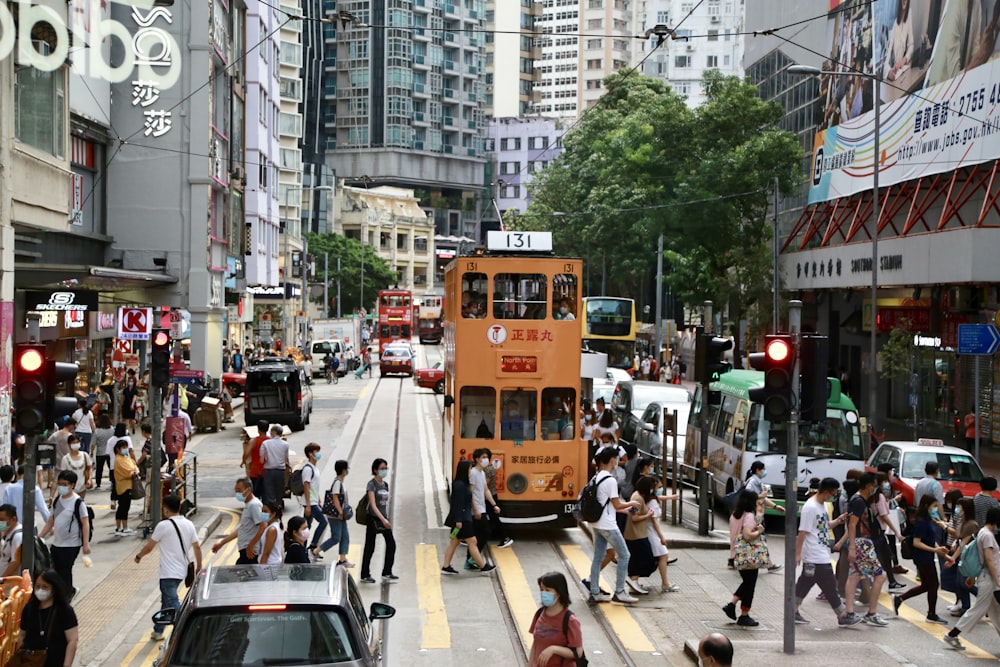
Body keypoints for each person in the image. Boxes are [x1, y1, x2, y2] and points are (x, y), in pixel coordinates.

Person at [793, 477, 860, 626]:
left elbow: (823, 526)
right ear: (826, 491)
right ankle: (842, 615)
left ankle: (793, 609)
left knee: (806, 583)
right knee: (829, 585)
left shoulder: (822, 505)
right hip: (815, 554)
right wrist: (797, 554)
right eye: (833, 493)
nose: (834, 496)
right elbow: (802, 532)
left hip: (821, 551)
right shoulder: (810, 507)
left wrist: (837, 521)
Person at [134, 493, 202, 641]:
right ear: (179, 506)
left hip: (167, 573)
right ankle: (158, 631)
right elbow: (197, 547)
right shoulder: (189, 524)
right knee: (166, 603)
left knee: (173, 603)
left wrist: (139, 556)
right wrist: (199, 567)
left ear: (165, 509)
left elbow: (149, 547)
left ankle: (189, 630)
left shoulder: (163, 526)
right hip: (182, 571)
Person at [587, 446, 642, 605]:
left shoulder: (596, 477)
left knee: (598, 558)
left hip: (597, 523)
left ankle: (594, 592)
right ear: (612, 460)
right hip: (608, 525)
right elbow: (617, 505)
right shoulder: (610, 480)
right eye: (617, 458)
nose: (618, 461)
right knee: (625, 555)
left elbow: (608, 504)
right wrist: (632, 503)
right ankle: (619, 592)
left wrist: (626, 511)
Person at [944, 506, 1000, 650]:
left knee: (995, 613)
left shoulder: (983, 531)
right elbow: (989, 560)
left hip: (986, 577)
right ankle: (952, 634)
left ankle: (952, 635)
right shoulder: (987, 535)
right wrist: (998, 581)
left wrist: (973, 576)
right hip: (989, 579)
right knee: (978, 610)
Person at [893, 493, 951, 624]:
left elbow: (930, 540)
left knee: (926, 585)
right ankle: (931, 614)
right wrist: (935, 550)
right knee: (933, 584)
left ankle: (900, 599)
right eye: (934, 506)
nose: (935, 508)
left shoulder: (927, 519)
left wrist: (943, 553)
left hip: (926, 556)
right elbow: (916, 542)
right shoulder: (921, 522)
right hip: (922, 558)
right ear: (926, 505)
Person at [843, 472, 890, 626]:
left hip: (859, 543)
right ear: (869, 485)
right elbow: (852, 524)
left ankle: (850, 612)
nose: (875, 488)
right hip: (862, 543)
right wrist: (852, 547)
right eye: (875, 485)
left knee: (854, 576)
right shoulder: (859, 501)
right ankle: (871, 612)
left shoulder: (858, 499)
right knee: (880, 575)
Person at [39, 470, 91, 593]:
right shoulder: (57, 501)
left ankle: (67, 593)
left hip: (72, 544)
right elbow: (50, 521)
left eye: (65, 484)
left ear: (72, 485)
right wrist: (39, 536)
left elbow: (85, 523)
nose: (62, 487)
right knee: (55, 570)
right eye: (60, 484)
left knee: (65, 570)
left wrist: (86, 544)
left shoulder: (77, 502)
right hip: (57, 543)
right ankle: (67, 590)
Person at [441, 460, 495, 575]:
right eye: (470, 469)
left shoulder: (461, 484)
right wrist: (458, 520)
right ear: (465, 470)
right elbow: (457, 504)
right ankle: (483, 566)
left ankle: (446, 566)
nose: (471, 471)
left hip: (463, 519)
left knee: (454, 542)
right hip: (463, 520)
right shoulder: (460, 485)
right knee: (472, 541)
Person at [15, 569, 79, 667]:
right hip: (31, 661)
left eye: (45, 587)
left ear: (54, 589)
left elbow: (72, 640)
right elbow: (22, 635)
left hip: (55, 661)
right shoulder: (29, 608)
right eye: (37, 586)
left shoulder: (64, 610)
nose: (40, 590)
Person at [723, 490, 765, 626]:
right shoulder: (748, 516)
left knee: (747, 582)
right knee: (750, 584)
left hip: (736, 554)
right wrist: (759, 531)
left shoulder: (735, 515)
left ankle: (732, 605)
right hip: (748, 555)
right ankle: (743, 615)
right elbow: (747, 535)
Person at [528, 571, 583, 667]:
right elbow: (535, 644)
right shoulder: (539, 614)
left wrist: (553, 649)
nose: (543, 593)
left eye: (548, 590)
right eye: (541, 589)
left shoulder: (570, 620)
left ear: (559, 592)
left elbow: (578, 652)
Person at [360, 458, 397, 584]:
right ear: (375, 470)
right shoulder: (371, 484)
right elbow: (373, 505)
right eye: (382, 468)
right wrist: (383, 519)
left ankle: (387, 571)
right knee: (370, 547)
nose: (384, 471)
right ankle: (365, 574)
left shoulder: (385, 485)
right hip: (374, 519)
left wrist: (386, 518)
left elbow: (385, 504)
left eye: (385, 468)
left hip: (384, 518)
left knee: (391, 544)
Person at [212, 478, 266, 564]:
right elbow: (242, 529)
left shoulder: (254, 505)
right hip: (245, 550)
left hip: (249, 552)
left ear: (248, 489)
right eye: (236, 491)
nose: (237, 493)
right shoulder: (249, 505)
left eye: (239, 490)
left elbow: (263, 525)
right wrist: (222, 543)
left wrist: (251, 545)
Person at [943, 496, 979, 617]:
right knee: (959, 583)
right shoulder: (963, 522)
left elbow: (964, 543)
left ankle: (987, 599)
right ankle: (965, 607)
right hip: (961, 556)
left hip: (967, 558)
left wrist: (952, 558)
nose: (957, 509)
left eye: (960, 507)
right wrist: (954, 543)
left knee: (964, 583)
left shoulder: (971, 524)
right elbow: (959, 538)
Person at [318, 459, 353, 566]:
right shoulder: (337, 483)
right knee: (336, 537)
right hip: (335, 515)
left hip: (339, 514)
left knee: (345, 536)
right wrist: (340, 511)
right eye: (347, 468)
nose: (348, 470)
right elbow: (335, 497)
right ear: (343, 470)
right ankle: (315, 552)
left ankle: (342, 559)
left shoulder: (340, 482)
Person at [296, 443, 328, 558]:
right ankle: (313, 547)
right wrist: (309, 505)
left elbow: (315, 486)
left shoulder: (315, 468)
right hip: (309, 503)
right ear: (310, 454)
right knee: (323, 521)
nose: (318, 454)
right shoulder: (308, 469)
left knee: (306, 527)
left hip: (313, 501)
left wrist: (318, 499)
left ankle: (303, 550)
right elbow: (306, 486)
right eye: (316, 451)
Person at [480, 447, 512, 549]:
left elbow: (485, 484)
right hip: (486, 497)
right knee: (486, 518)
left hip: (490, 497)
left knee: (494, 519)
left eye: (486, 457)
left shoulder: (489, 469)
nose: (484, 459)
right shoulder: (484, 469)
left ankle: (505, 538)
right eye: (482, 457)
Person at [106, 422, 134, 511]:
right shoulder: (127, 439)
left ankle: (113, 500)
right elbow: (131, 451)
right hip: (125, 465)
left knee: (114, 484)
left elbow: (107, 454)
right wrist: (134, 462)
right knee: (125, 484)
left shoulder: (110, 440)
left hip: (113, 466)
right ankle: (122, 501)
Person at [260, 425, 289, 506]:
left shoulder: (265, 443)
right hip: (280, 471)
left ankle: (271, 510)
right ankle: (279, 508)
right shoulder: (285, 444)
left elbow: (261, 460)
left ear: (273, 432)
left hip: (269, 471)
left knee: (270, 493)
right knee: (279, 493)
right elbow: (286, 459)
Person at [58, 436, 92, 502]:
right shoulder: (65, 458)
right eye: (73, 443)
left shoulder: (85, 455)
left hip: (82, 486)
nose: (76, 444)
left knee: (79, 504)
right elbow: (63, 475)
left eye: (77, 442)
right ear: (69, 444)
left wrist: (89, 479)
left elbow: (89, 468)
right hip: (69, 488)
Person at [243, 420, 268, 500]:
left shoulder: (253, 441)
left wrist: (243, 461)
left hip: (255, 470)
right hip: (267, 470)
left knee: (256, 493)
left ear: (258, 429)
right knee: (266, 492)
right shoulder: (270, 440)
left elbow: (246, 453)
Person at [258, 499, 285, 565]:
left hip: (270, 565)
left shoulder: (272, 530)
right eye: (262, 511)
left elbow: (266, 553)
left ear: (273, 514)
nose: (262, 513)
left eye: (265, 511)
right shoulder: (268, 526)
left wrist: (261, 568)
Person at [92, 413, 114, 489]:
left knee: (99, 469)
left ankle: (98, 484)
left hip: (100, 452)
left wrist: (91, 452)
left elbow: (93, 443)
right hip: (110, 452)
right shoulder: (112, 430)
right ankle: (112, 482)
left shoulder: (97, 431)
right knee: (111, 467)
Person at [0, 504, 23, 578]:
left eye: (2, 520)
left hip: (10, 583)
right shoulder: (9, 532)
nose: (0, 523)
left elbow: (15, 563)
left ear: (14, 519)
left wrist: (2, 579)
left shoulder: (17, 536)